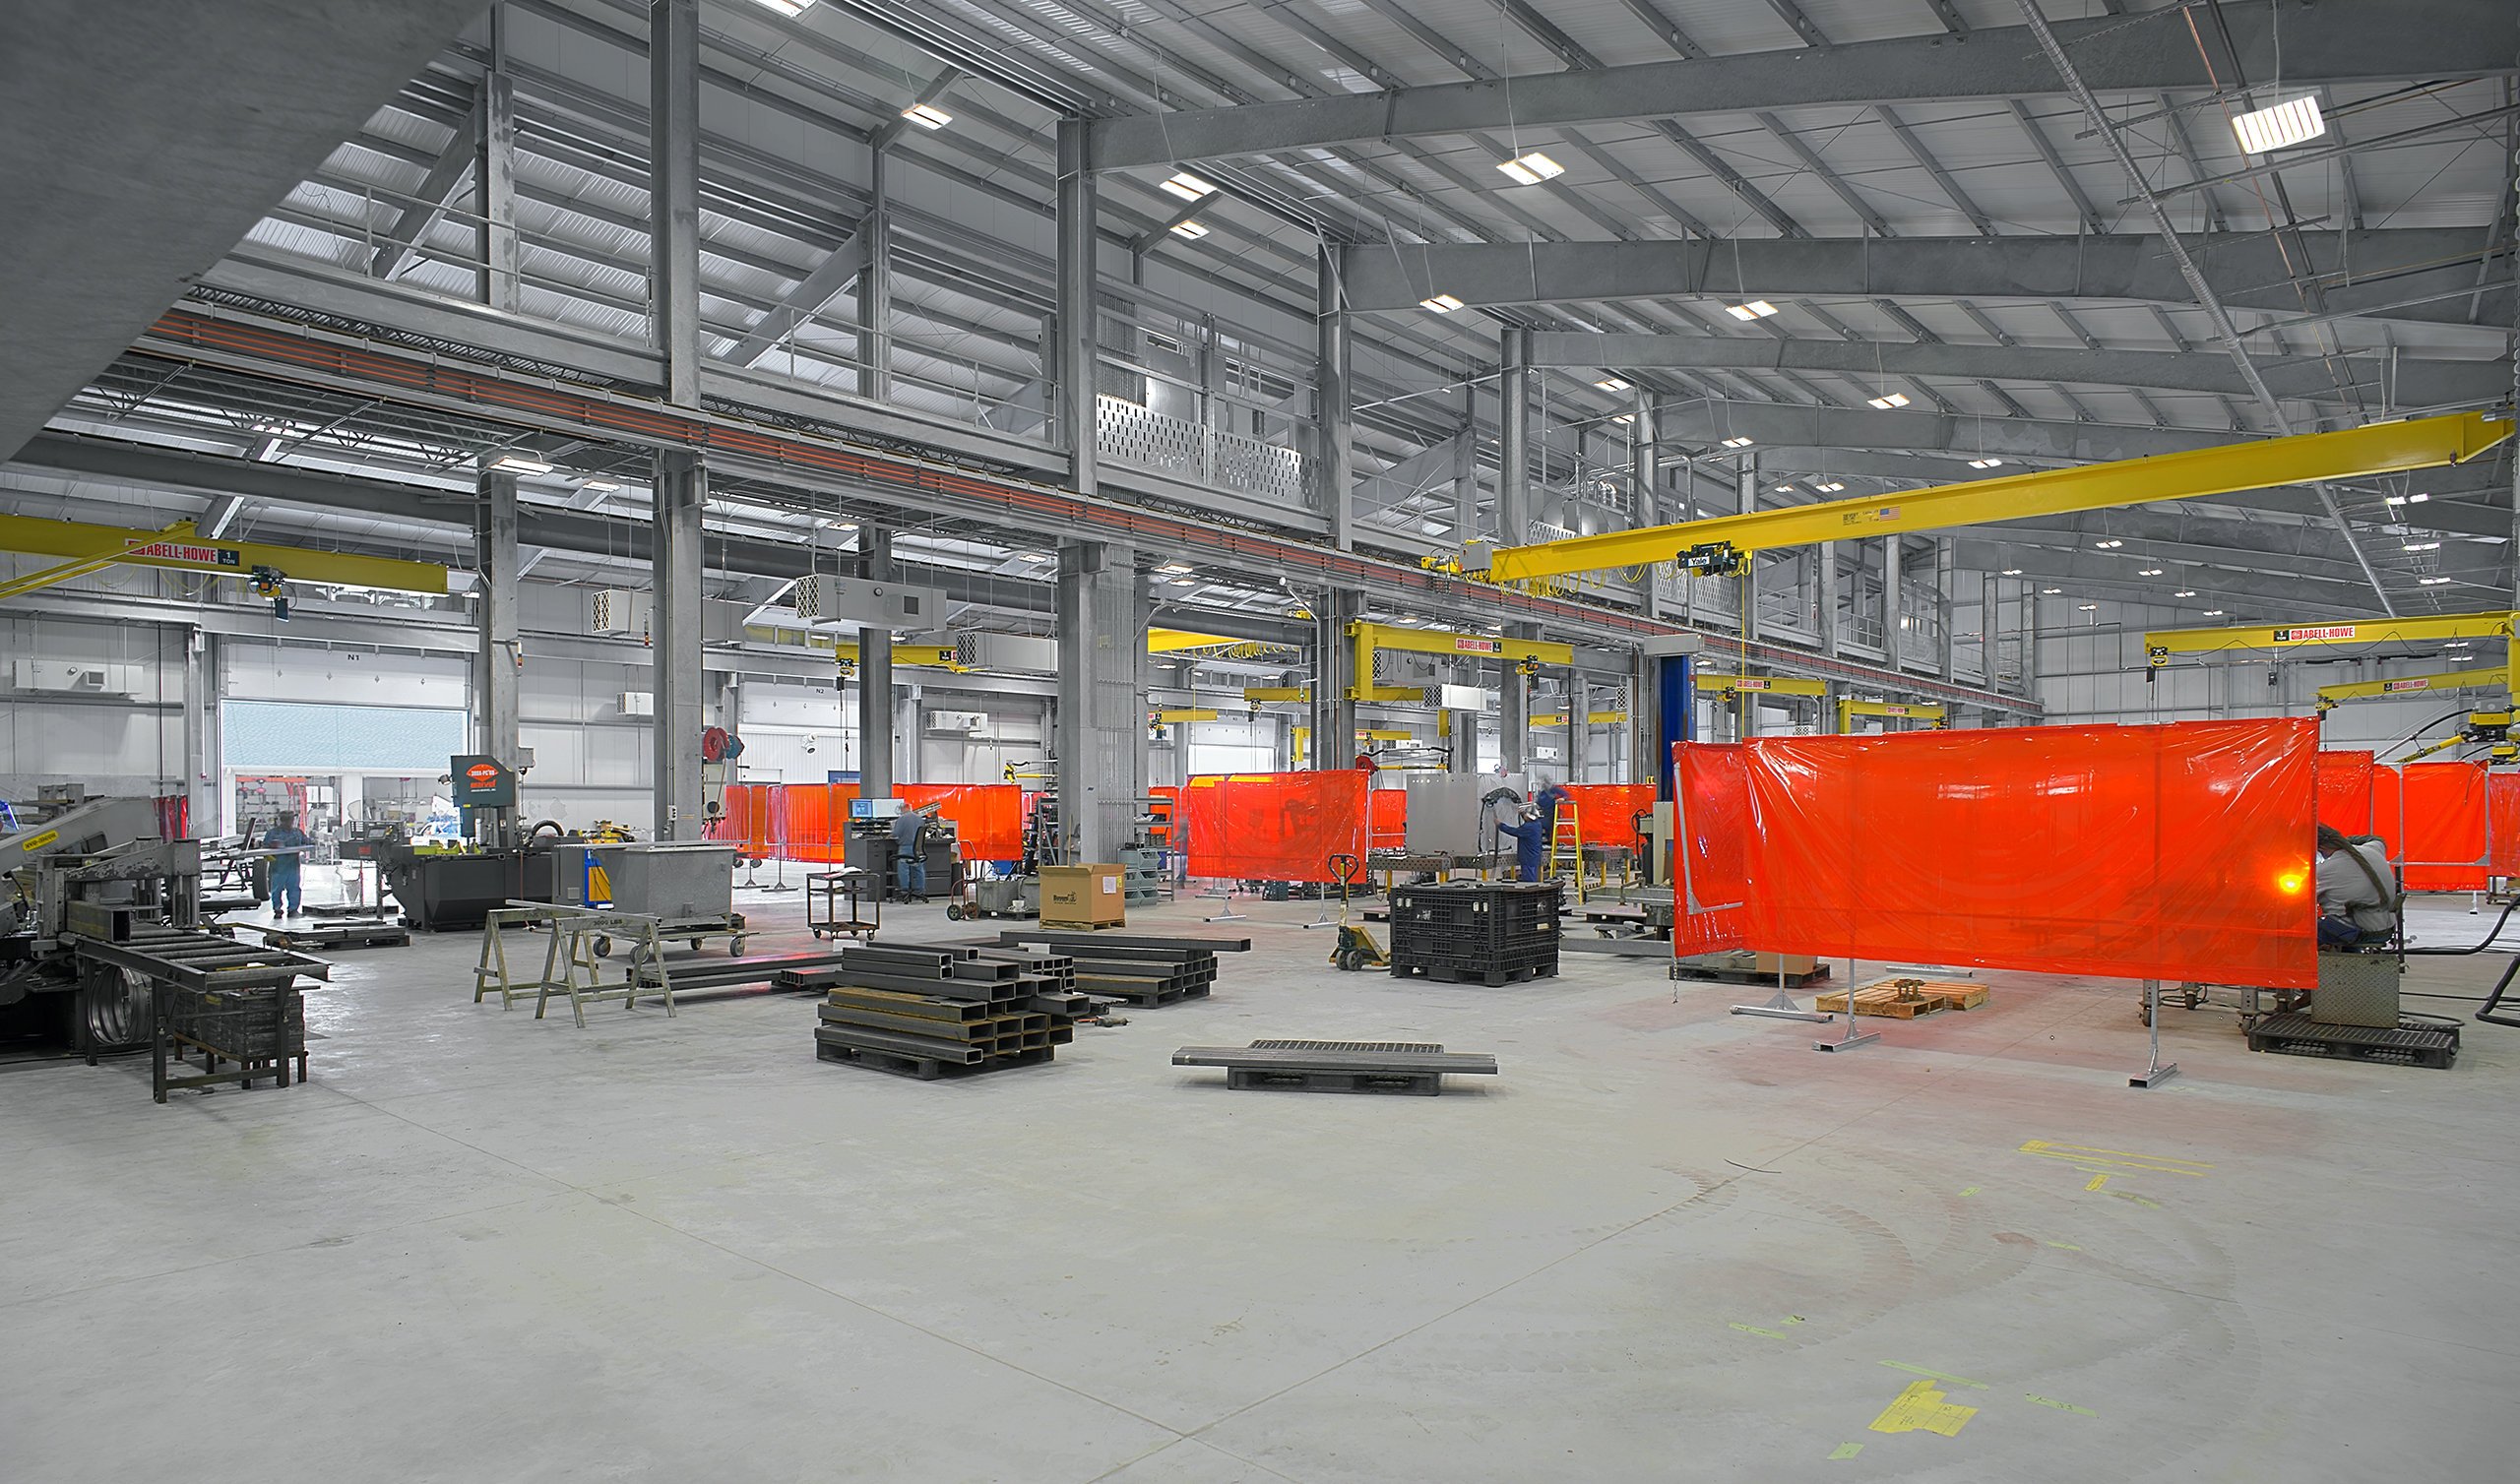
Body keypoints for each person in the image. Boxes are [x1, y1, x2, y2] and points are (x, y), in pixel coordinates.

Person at [2314, 822, 2396, 950]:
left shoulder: (2326, 869)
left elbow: (2300, 901)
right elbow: (2377, 839)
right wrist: (2344, 841)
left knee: (2302, 934)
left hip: (2361, 933)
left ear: (2321, 849)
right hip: (2385, 928)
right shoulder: (2373, 849)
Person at [261, 814, 316, 918]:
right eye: (286, 821)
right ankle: (277, 909)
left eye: (290, 820)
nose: (289, 823)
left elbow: (306, 841)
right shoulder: (273, 833)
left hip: (293, 864)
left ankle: (293, 910)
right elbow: (265, 846)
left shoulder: (297, 832)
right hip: (278, 864)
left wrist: (313, 840)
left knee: (294, 886)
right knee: (277, 888)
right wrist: (270, 851)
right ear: (281, 821)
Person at [892, 801, 944, 901]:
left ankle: (905, 892)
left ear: (902, 809)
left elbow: (895, 833)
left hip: (905, 848)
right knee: (919, 869)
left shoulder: (901, 819)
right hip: (917, 849)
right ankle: (921, 891)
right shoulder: (919, 818)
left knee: (904, 870)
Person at [1493, 803, 1549, 883]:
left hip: (1528, 857)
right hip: (1534, 856)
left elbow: (1514, 831)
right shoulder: (1537, 824)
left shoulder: (1528, 827)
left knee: (1529, 881)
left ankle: (1530, 893)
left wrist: (1500, 825)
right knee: (1532, 877)